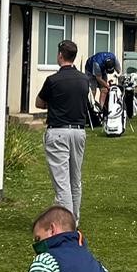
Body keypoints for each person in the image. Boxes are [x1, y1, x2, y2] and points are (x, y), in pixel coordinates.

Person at [37, 40, 90, 221]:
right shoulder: (84, 79)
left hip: (58, 130)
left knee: (62, 184)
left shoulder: (53, 80)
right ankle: (74, 220)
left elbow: (39, 102)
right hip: (78, 131)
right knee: (75, 180)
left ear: (60, 55)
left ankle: (67, 225)